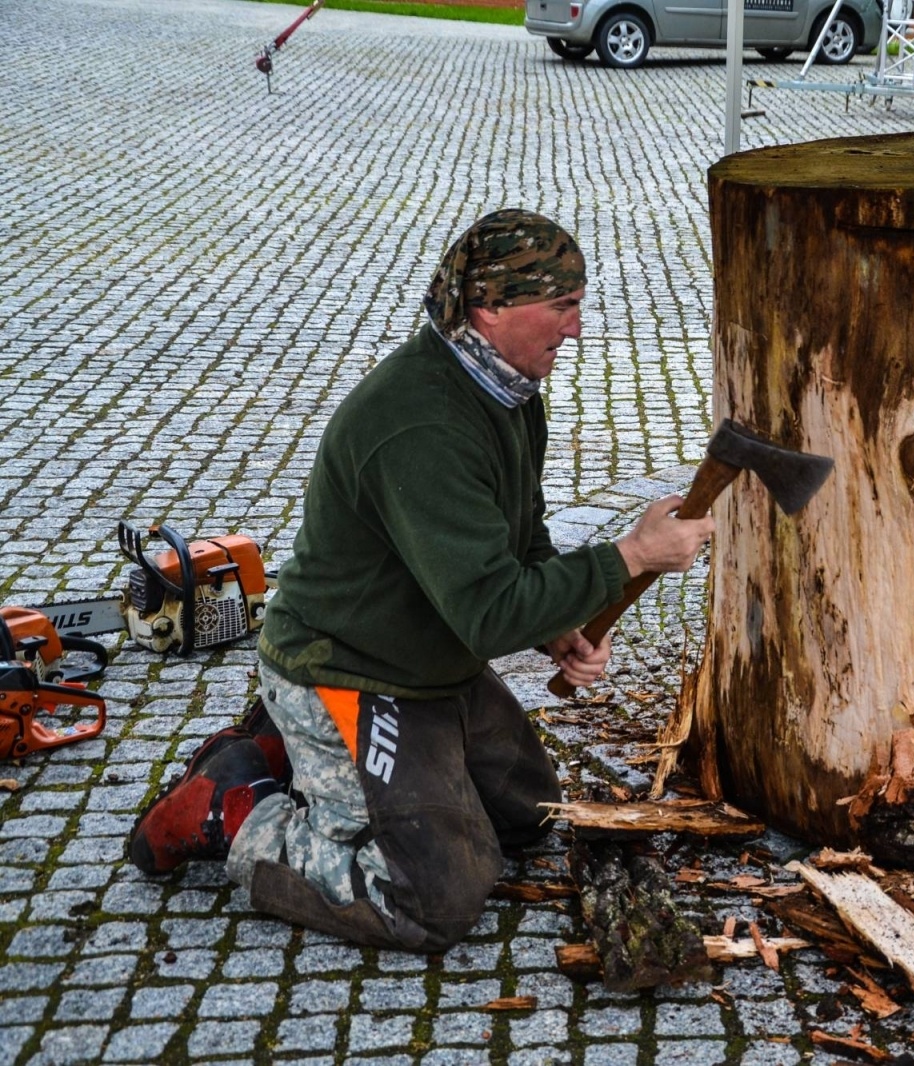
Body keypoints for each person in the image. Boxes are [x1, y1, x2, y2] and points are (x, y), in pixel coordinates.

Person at [126, 209, 714, 952]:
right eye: (561, 306)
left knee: (527, 820)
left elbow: (519, 546)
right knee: (434, 897)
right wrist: (629, 555)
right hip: (351, 667)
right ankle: (236, 808)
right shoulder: (422, 427)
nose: (575, 328)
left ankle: (287, 747)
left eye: (578, 303)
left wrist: (556, 624)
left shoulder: (507, 392)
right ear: (490, 307)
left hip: (429, 659)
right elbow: (489, 613)